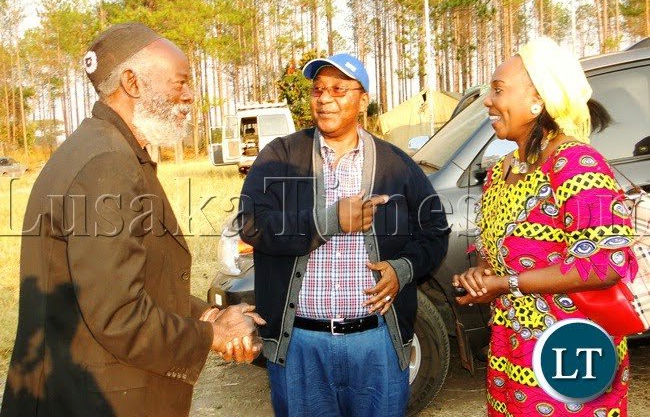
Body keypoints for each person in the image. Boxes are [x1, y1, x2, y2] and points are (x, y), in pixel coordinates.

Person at [1, 23, 264, 416]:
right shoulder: (106, 162)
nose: (191, 95)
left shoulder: (107, 148)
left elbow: (134, 282)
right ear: (132, 82)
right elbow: (118, 315)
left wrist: (206, 312)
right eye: (180, 83)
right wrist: (213, 332)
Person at [238, 53, 450, 416]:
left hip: (376, 344)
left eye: (338, 88)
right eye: (318, 89)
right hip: (299, 346)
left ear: (362, 98)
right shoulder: (280, 157)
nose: (324, 98)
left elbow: (435, 230)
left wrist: (403, 269)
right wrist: (329, 220)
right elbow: (252, 223)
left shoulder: (396, 164)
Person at [453, 37, 638, 416]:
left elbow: (605, 262)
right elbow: (496, 258)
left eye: (499, 89)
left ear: (538, 99)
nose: (487, 100)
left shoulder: (577, 165)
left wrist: (506, 284)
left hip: (569, 350)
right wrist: (482, 277)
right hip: (510, 351)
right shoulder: (502, 170)